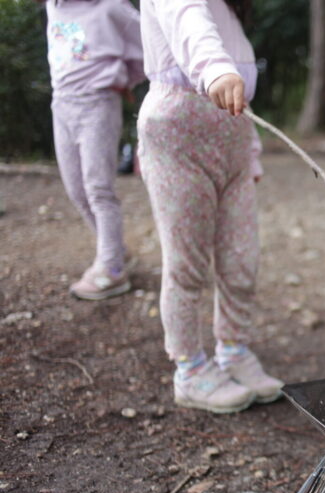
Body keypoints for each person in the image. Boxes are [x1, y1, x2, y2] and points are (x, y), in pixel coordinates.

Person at [137, 0, 281, 413]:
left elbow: (241, 91)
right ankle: (190, 369)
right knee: (187, 263)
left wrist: (249, 153)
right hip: (178, 137)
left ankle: (233, 351)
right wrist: (215, 67)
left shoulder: (231, 9)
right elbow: (187, 18)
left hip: (233, 144)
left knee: (241, 258)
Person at [45, 0, 144, 300]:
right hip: (61, 103)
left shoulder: (110, 6)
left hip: (98, 102)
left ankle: (112, 270)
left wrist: (127, 78)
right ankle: (113, 249)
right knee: (76, 190)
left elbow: (149, 42)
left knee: (99, 189)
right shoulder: (54, 6)